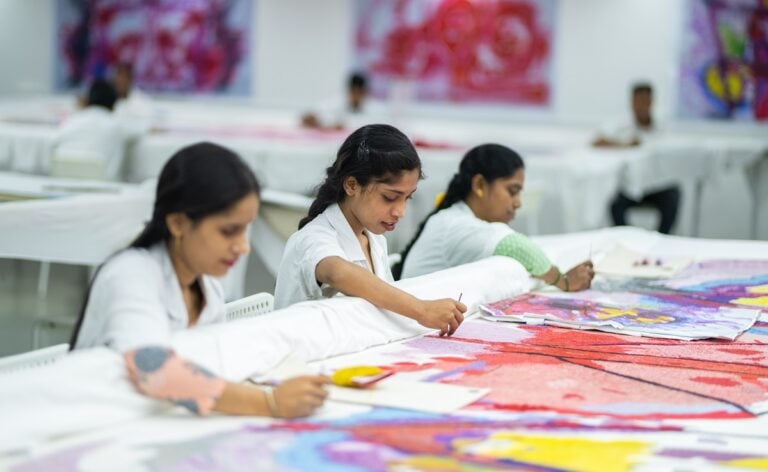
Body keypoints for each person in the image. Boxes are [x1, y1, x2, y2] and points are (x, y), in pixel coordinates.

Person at [70, 142, 328, 418]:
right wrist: (270, 403)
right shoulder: (131, 274)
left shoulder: (208, 288)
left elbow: (205, 366)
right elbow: (152, 368)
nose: (243, 246)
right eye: (229, 231)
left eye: (245, 231)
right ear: (178, 223)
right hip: (93, 418)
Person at [274, 124, 466, 336]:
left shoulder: (374, 239)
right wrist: (421, 310)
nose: (400, 211)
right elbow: (337, 272)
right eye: (390, 198)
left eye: (407, 198)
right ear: (352, 186)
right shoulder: (313, 238)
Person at [393, 144, 594, 292]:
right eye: (512, 191)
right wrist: (564, 281)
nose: (518, 203)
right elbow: (518, 247)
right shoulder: (456, 224)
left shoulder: (455, 217)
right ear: (479, 185)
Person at [593, 83, 681, 234]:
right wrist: (624, 145)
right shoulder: (620, 125)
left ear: (651, 102)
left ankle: (662, 240)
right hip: (629, 187)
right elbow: (597, 142)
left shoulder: (662, 127)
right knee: (613, 202)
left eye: (644, 101)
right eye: (637, 102)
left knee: (674, 195)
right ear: (631, 102)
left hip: (656, 186)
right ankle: (627, 239)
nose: (640, 106)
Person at [52, 79, 138, 180]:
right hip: (103, 190)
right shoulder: (117, 126)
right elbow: (141, 130)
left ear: (88, 100)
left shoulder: (71, 121)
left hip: (63, 184)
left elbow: (53, 145)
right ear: (114, 104)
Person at [300, 72, 384, 130]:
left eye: (359, 93)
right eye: (353, 92)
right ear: (348, 91)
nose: (356, 96)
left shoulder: (375, 108)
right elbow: (308, 115)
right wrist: (316, 121)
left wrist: (344, 125)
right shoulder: (337, 102)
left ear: (365, 92)